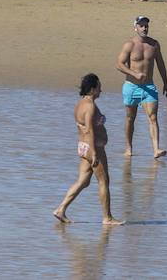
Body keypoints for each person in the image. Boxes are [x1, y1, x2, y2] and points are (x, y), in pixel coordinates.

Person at [53, 74, 124, 226]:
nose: (101, 90)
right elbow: (90, 131)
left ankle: (60, 209)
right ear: (92, 89)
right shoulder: (90, 107)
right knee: (104, 181)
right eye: (99, 87)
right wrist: (94, 153)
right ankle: (107, 218)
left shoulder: (80, 104)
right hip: (94, 148)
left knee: (83, 181)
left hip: (83, 146)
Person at [116, 15, 167, 158]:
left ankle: (156, 149)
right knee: (130, 118)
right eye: (141, 25)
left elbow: (160, 64)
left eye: (146, 25)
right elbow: (119, 65)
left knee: (153, 117)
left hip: (148, 87)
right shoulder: (130, 45)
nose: (144, 28)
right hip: (131, 86)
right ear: (135, 28)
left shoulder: (154, 45)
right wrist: (133, 73)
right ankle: (128, 148)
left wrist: (166, 82)